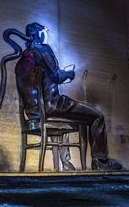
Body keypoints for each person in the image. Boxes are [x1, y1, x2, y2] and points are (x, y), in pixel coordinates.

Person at [15, 22, 122, 170]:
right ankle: (101, 162)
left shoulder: (23, 59)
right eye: (45, 32)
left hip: (33, 112)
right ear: (39, 34)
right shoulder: (42, 49)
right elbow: (57, 76)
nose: (47, 35)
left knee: (74, 119)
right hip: (52, 105)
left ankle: (66, 163)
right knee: (97, 117)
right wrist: (70, 73)